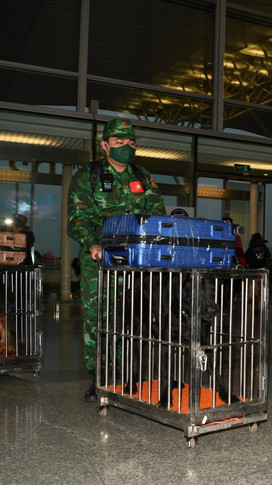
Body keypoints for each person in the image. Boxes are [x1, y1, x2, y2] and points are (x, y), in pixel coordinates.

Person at [67, 118, 166, 402]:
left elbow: (156, 214)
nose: (126, 147)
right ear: (105, 145)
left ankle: (127, 373)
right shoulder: (88, 176)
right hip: (100, 261)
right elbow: (78, 217)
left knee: (133, 320)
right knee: (99, 318)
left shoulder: (143, 177)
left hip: (136, 263)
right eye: (119, 142)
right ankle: (99, 376)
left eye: (131, 143)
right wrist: (93, 243)